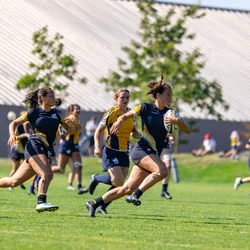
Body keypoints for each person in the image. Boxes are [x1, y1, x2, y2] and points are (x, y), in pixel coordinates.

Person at [85, 76, 191, 217]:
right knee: (162, 171)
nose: (170, 98)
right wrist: (120, 120)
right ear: (158, 95)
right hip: (141, 151)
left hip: (151, 154)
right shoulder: (144, 107)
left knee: (126, 188)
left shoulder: (170, 114)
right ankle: (136, 195)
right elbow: (126, 115)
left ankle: (94, 203)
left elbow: (187, 130)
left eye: (171, 95)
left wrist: (177, 121)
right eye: (168, 95)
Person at [1, 87, 76, 212]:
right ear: (43, 98)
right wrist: (12, 135)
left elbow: (69, 131)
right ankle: (41, 202)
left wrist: (71, 125)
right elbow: (13, 123)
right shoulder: (34, 112)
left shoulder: (58, 113)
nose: (54, 98)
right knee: (47, 174)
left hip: (44, 149)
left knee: (13, 182)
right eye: (51, 96)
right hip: (35, 144)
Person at [87, 88, 141, 214]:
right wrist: (96, 146)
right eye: (122, 97)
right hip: (111, 151)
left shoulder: (130, 114)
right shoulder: (112, 112)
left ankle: (102, 206)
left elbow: (134, 131)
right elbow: (98, 131)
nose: (125, 100)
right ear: (116, 98)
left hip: (124, 152)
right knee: (118, 181)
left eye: (127, 97)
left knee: (120, 185)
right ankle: (96, 178)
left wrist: (142, 136)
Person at [52, 104, 88, 195]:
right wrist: (75, 129)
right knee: (60, 169)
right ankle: (45, 170)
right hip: (67, 144)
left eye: (79, 109)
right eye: (76, 109)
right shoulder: (70, 118)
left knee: (78, 165)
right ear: (71, 111)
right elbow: (62, 126)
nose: (78, 110)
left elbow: (76, 132)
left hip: (74, 145)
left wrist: (78, 132)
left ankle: (79, 187)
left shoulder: (76, 120)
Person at [8, 111, 31, 191]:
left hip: (25, 150)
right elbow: (15, 138)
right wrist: (25, 135)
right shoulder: (19, 127)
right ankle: (9, 184)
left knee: (23, 168)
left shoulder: (29, 126)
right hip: (17, 149)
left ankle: (20, 181)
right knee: (15, 168)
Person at [160, 135, 175, 200]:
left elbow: (170, 132)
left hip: (164, 146)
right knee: (145, 169)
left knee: (168, 165)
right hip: (152, 145)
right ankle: (132, 188)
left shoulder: (168, 124)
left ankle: (164, 190)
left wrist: (171, 138)